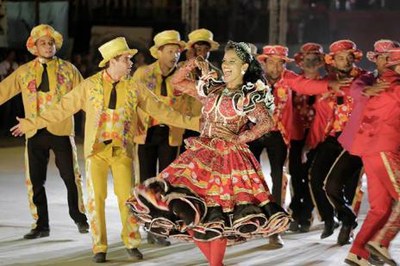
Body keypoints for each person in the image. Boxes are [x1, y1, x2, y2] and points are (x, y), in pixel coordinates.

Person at [11, 37, 199, 263]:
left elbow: (165, 112)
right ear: (113, 61)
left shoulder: (134, 87)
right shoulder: (89, 86)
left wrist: (199, 124)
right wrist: (30, 123)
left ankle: (131, 242)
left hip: (122, 152)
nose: (131, 62)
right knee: (96, 199)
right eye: (126, 59)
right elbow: (60, 109)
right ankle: (99, 246)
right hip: (96, 153)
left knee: (127, 199)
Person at [127, 41, 291, 266]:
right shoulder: (212, 88)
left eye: (231, 61)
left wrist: (240, 138)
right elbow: (177, 81)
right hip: (201, 155)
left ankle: (216, 264)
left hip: (229, 160)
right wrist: (194, 62)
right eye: (224, 60)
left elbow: (266, 122)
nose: (225, 65)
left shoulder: (247, 96)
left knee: (218, 217)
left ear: (244, 66)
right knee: (187, 212)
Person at [0, 24, 88, 239]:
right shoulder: (25, 71)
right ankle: (41, 224)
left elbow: (86, 98)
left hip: (62, 130)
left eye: (51, 43)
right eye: (43, 43)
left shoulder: (69, 70)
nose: (48, 46)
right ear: (34, 47)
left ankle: (79, 218)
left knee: (71, 177)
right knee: (35, 180)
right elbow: (3, 90)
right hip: (34, 131)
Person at [325, 39, 400, 247]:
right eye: (382, 57)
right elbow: (356, 89)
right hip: (360, 142)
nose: (386, 61)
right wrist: (368, 91)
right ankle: (348, 218)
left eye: (390, 57)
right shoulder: (366, 78)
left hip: (385, 146)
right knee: (331, 185)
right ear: (375, 59)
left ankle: (366, 241)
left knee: (381, 197)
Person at [131, 30, 189, 246]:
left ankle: (162, 226)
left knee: (166, 182)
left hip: (171, 134)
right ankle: (148, 225)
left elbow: (192, 104)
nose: (174, 55)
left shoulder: (183, 76)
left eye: (177, 52)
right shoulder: (142, 74)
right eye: (170, 51)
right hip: (146, 133)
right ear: (159, 52)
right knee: (146, 180)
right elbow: (132, 102)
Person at [344, 47, 400, 266]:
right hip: (383, 148)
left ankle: (358, 252)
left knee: (381, 207)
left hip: (373, 150)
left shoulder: (386, 83)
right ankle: (380, 242)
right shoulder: (393, 85)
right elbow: (357, 89)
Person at [308, 39, 366, 240]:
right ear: (333, 61)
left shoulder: (364, 79)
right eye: (340, 58)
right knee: (315, 177)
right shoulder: (329, 80)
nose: (346, 61)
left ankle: (347, 225)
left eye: (349, 57)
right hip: (333, 135)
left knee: (348, 182)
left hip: (356, 137)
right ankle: (330, 218)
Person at [288, 43, 325, 233]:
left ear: (320, 62)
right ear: (300, 63)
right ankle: (296, 212)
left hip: (317, 137)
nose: (310, 63)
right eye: (306, 59)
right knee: (296, 175)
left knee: (311, 177)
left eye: (314, 59)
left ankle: (306, 213)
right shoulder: (294, 85)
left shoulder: (325, 85)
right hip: (296, 136)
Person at [177, 28, 222, 154]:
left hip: (207, 123)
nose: (202, 53)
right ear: (191, 50)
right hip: (185, 121)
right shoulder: (182, 68)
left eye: (205, 50)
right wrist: (190, 63)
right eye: (198, 49)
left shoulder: (216, 72)